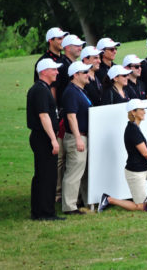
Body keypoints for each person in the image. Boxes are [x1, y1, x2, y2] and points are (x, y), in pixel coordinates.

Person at [98, 99, 147, 212]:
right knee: (142, 207)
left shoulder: (134, 127)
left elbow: (145, 153)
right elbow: (145, 153)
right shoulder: (132, 130)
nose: (144, 112)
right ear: (133, 112)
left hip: (143, 168)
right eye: (142, 110)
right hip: (134, 172)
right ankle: (109, 199)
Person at [27, 58, 65, 221]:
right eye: (54, 69)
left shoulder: (41, 88)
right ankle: (45, 212)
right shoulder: (41, 90)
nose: (57, 72)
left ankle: (40, 211)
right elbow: (43, 116)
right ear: (44, 72)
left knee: (44, 174)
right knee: (46, 175)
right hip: (43, 137)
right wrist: (53, 139)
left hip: (42, 136)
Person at [61, 61, 93, 215]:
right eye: (84, 72)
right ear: (75, 75)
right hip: (77, 137)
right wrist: (78, 138)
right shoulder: (71, 92)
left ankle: (86, 201)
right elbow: (71, 117)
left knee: (84, 171)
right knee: (74, 172)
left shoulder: (80, 90)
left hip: (82, 136)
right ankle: (69, 206)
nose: (88, 75)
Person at [33, 27, 69, 98]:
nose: (63, 41)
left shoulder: (65, 58)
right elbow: (49, 88)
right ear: (50, 41)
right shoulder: (43, 61)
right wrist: (54, 108)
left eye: (63, 38)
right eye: (59, 39)